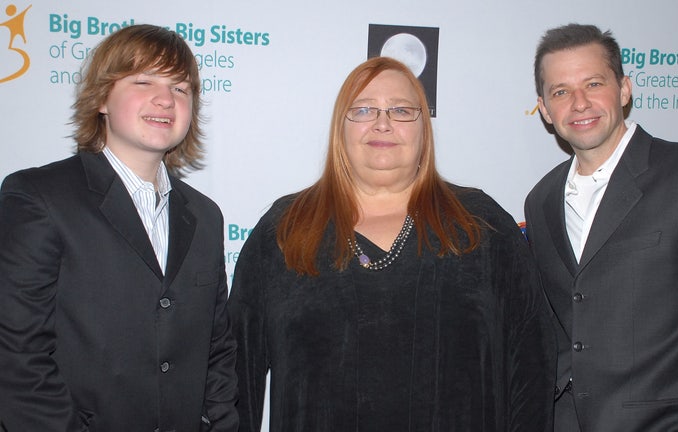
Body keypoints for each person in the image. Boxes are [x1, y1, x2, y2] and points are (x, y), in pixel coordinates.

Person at [229, 56, 555, 431]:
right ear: (340, 127)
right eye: (363, 109)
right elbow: (236, 375)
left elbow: (532, 362)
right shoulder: (286, 229)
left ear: (423, 128)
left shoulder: (481, 225)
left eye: (401, 110)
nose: (382, 123)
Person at [524, 23, 678, 431]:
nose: (579, 103)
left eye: (593, 84)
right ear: (544, 109)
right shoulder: (541, 200)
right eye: (560, 91)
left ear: (624, 89)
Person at [0, 24, 238, 431]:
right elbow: (16, 354)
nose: (166, 98)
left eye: (181, 88)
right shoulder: (39, 197)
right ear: (101, 98)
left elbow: (217, 350)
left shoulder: (204, 215)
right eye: (144, 81)